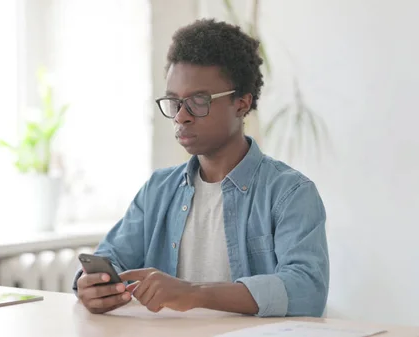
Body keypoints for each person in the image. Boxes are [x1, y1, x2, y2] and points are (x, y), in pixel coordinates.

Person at [72, 19, 329, 318]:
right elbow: (111, 258)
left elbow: (307, 290)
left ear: (241, 104)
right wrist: (91, 285)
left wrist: (193, 293)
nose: (181, 116)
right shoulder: (158, 189)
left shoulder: (290, 193)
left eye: (198, 101)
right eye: (174, 101)